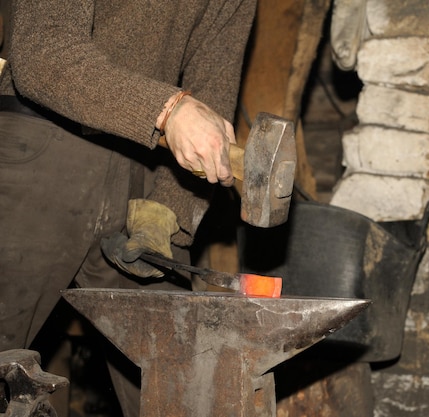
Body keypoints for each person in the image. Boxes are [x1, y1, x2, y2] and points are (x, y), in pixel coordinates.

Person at [0, 1, 256, 415]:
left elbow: (212, 98)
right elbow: (41, 48)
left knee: (186, 390)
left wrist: (169, 211)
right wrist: (167, 109)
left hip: (146, 173)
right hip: (37, 149)